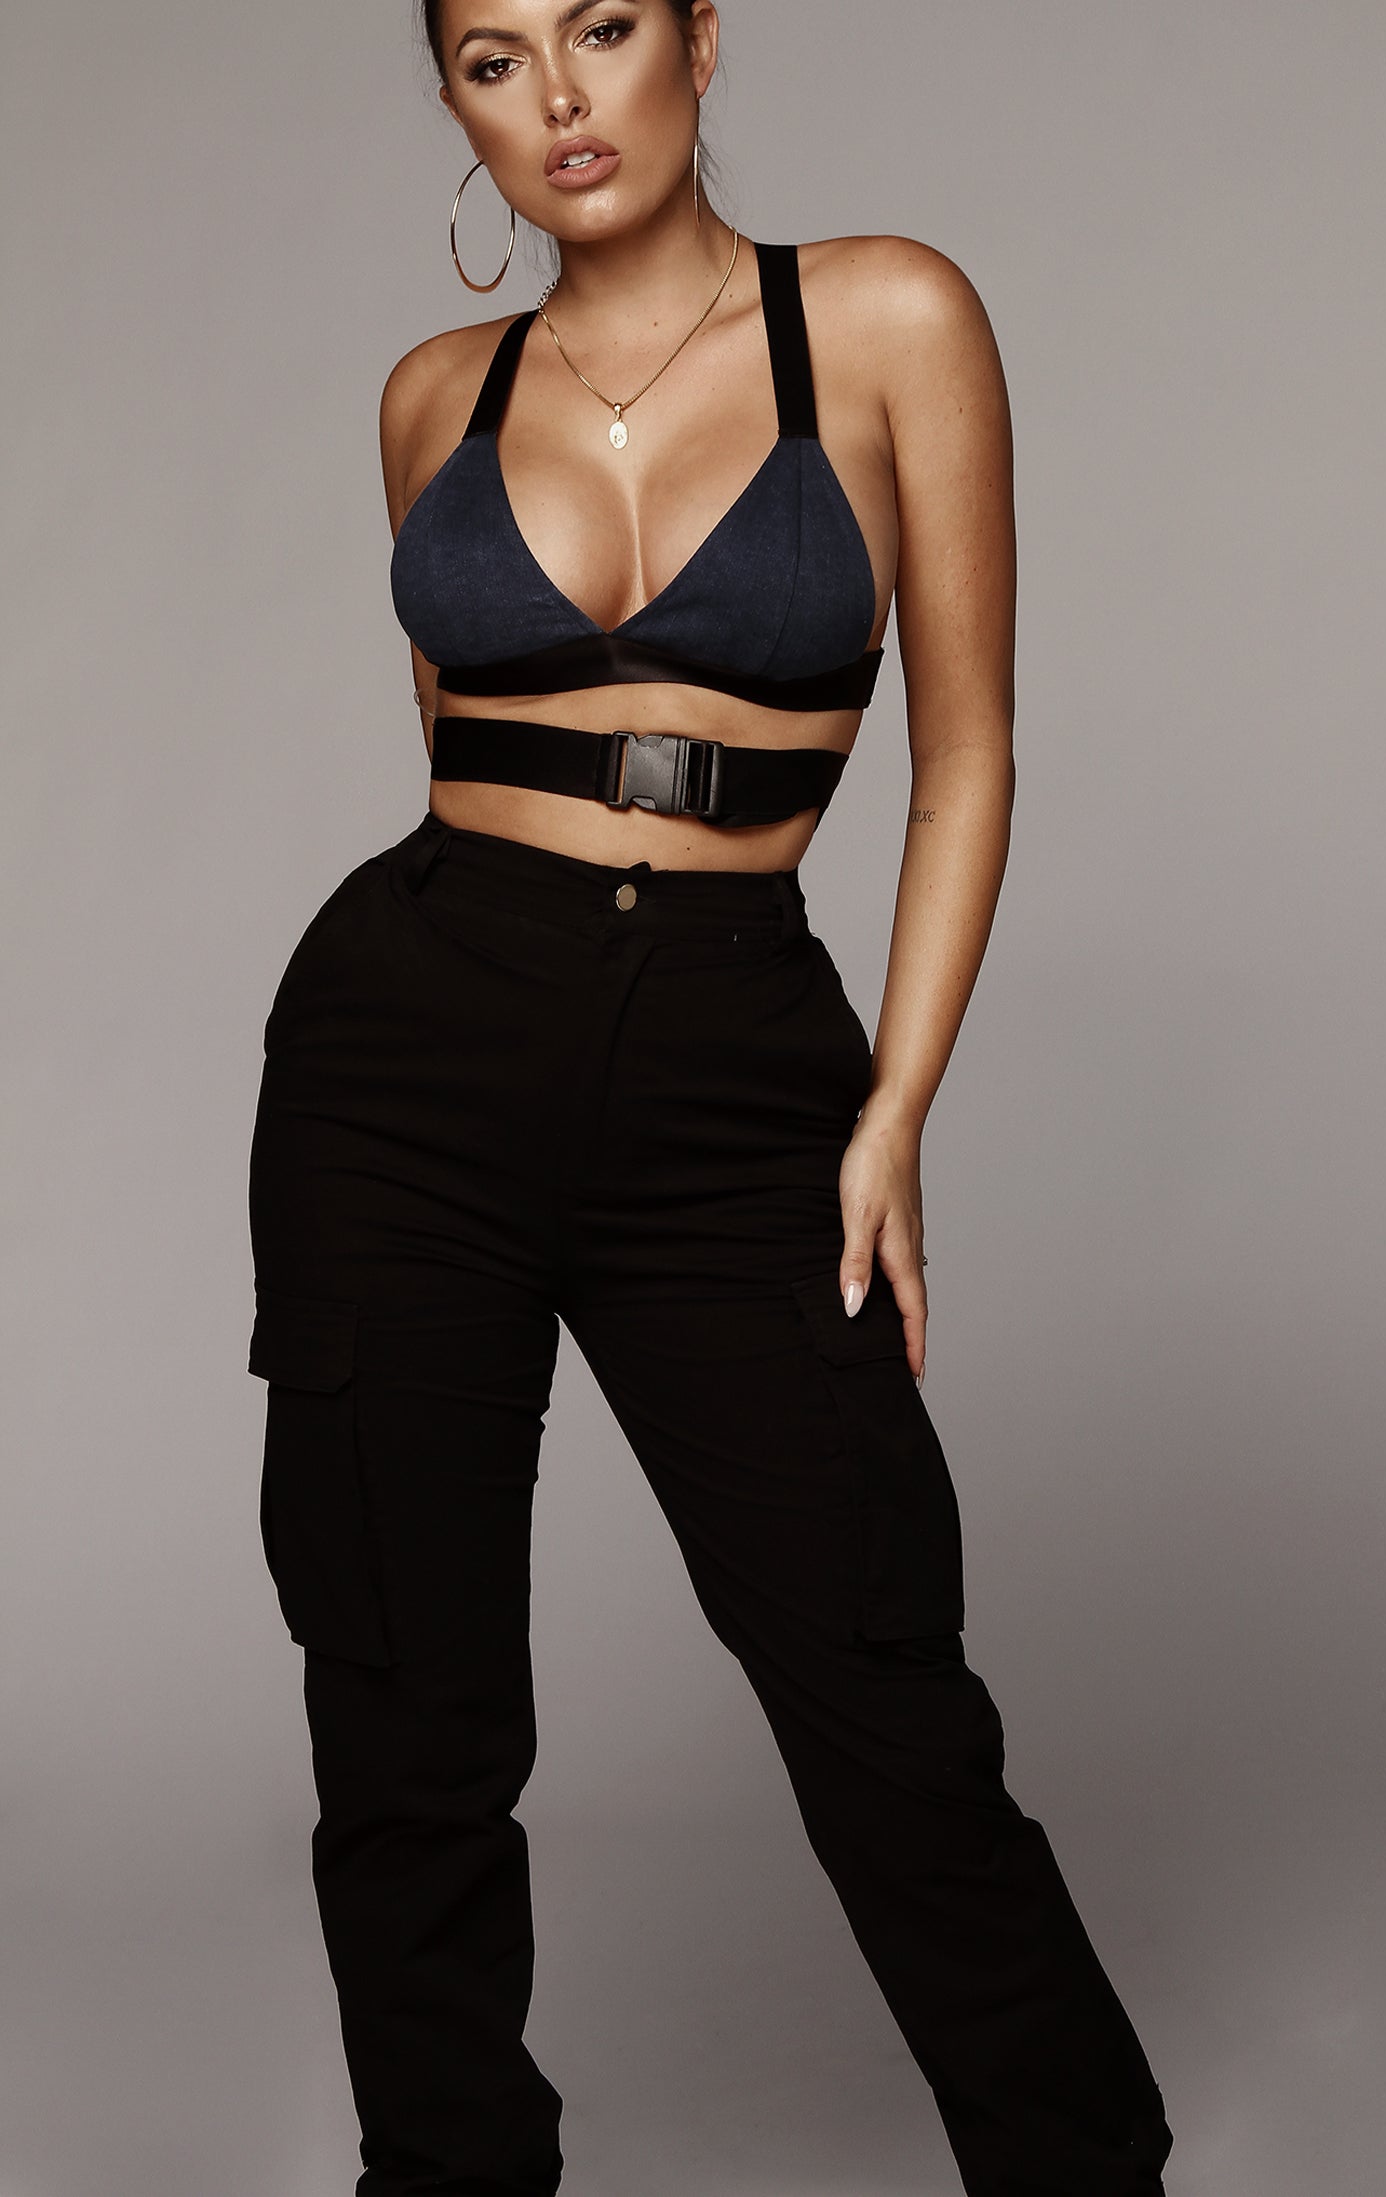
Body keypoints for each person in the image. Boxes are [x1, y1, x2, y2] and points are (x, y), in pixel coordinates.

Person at [245, 2, 1175, 2191]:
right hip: (406, 1052)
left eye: (601, 27)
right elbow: (468, 750)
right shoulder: (431, 397)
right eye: (493, 59)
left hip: (734, 1064)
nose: (560, 99)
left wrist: (893, 1108)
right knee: (402, 1700)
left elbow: (968, 753)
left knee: (874, 1671)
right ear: (454, 100)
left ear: (698, 40)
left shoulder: (888, 316)